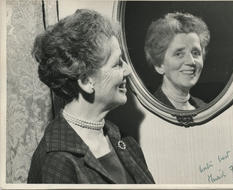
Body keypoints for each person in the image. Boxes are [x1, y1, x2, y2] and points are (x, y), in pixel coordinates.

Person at [27, 9, 155, 184]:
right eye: (117, 64)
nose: (128, 70)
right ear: (86, 81)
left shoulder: (122, 140)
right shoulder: (56, 161)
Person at [144, 12, 210, 110]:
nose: (191, 62)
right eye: (179, 54)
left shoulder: (205, 109)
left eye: (195, 53)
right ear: (159, 65)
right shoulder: (149, 111)